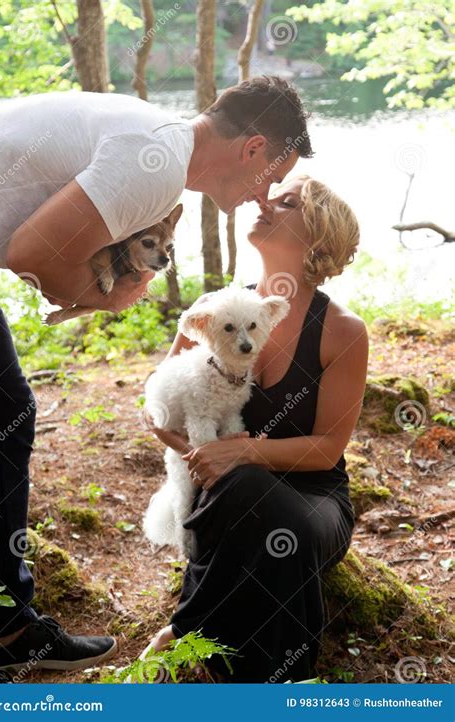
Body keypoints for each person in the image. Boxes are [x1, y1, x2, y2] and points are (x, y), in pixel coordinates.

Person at [0, 76, 313, 681]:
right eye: (274, 174)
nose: (266, 195)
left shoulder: (157, 142)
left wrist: (91, 291)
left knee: (7, 416)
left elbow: (48, 247)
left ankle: (7, 627)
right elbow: (31, 254)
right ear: (254, 148)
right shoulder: (155, 164)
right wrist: (107, 301)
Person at [143, 175, 368, 683]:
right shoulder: (219, 309)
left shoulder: (343, 331)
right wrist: (198, 454)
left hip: (312, 498)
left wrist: (245, 454)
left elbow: (328, 449)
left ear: (318, 235)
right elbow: (157, 401)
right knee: (237, 486)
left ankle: (191, 632)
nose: (264, 200)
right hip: (218, 488)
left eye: (286, 202)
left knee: (260, 499)